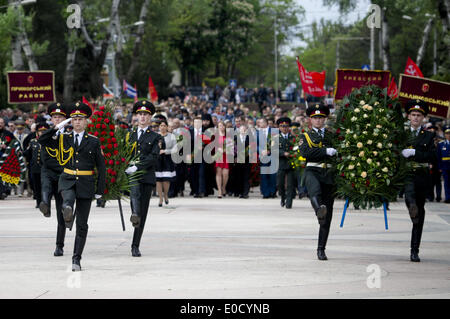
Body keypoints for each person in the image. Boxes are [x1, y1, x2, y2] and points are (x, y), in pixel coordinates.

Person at [38, 102, 106, 271]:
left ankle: (76, 258)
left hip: (86, 183)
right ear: (70, 121)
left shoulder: (93, 141)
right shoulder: (63, 138)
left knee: (82, 224)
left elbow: (101, 167)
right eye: (74, 119)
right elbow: (42, 140)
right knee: (67, 200)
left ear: (86, 122)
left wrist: (99, 191)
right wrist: (58, 126)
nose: (77, 122)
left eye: (80, 119)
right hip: (67, 179)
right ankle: (67, 209)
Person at [299, 103, 337, 260]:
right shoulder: (305, 136)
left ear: (325, 119)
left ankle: (321, 249)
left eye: (321, 118)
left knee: (327, 216)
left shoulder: (332, 135)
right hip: (312, 170)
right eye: (315, 118)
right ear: (310, 120)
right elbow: (306, 152)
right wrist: (324, 151)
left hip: (329, 173)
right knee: (314, 191)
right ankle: (318, 210)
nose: (318, 121)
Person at [401, 99, 436, 262]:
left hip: (421, 174)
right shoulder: (401, 133)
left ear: (423, 118)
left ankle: (414, 250)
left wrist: (415, 152)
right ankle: (411, 206)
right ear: (408, 116)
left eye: (419, 115)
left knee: (419, 215)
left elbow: (432, 156)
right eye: (413, 115)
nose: (415, 118)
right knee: (410, 196)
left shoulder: (429, 135)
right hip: (407, 173)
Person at [125, 100, 161, 257]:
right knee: (135, 202)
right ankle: (134, 212)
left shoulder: (155, 136)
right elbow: (124, 153)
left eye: (145, 114)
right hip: (131, 176)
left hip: (145, 177)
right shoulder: (129, 135)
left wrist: (137, 167)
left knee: (142, 213)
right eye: (140, 114)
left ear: (150, 117)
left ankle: (135, 244)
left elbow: (153, 157)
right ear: (136, 116)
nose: (142, 117)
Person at [38, 103, 70, 257]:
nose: (57, 119)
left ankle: (59, 245)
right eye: (55, 117)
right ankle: (44, 204)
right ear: (51, 119)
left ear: (65, 119)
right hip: (48, 170)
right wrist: (55, 128)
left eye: (60, 117)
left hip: (62, 174)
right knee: (45, 185)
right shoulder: (48, 133)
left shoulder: (69, 135)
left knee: (61, 213)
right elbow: (42, 140)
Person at [24, 122, 49, 208]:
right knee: (37, 186)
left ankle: (45, 202)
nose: (42, 132)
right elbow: (28, 153)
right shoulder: (33, 142)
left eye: (44, 131)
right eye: (40, 131)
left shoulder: (50, 141)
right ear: (37, 132)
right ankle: (39, 202)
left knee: (45, 186)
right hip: (35, 168)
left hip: (46, 168)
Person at [155, 116, 177, 206]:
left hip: (168, 159)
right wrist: (157, 151)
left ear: (167, 127)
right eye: (161, 126)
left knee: (166, 180)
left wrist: (166, 151)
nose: (162, 127)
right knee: (158, 180)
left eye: (164, 125)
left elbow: (175, 148)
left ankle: (166, 195)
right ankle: (160, 199)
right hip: (158, 160)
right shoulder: (155, 136)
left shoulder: (171, 136)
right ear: (159, 127)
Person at [277, 117, 296, 209]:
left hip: (291, 164)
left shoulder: (293, 138)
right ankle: (283, 197)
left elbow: (297, 148)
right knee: (280, 184)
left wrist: (293, 154)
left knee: (290, 184)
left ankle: (289, 203)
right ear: (279, 127)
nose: (284, 128)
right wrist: (283, 153)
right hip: (281, 163)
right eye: (282, 126)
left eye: (286, 126)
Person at [214, 121, 230, 198]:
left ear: (224, 126)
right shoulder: (215, 135)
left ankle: (224, 187)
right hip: (218, 156)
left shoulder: (228, 135)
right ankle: (219, 190)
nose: (221, 127)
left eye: (222, 125)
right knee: (218, 173)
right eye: (219, 126)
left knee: (225, 174)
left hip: (226, 156)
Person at [437, 125, 450, 204]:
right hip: (445, 166)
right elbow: (439, 156)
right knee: (446, 182)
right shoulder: (441, 144)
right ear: (445, 135)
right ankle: (448, 197)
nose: (449, 135)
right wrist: (440, 167)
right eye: (447, 133)